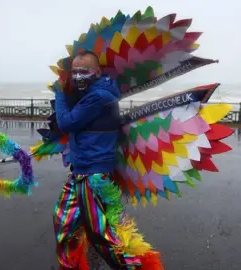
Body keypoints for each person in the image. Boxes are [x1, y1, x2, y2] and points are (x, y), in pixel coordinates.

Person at [53, 50, 161, 269]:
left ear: (98, 71)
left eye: (84, 71)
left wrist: (60, 94)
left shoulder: (98, 97)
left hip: (93, 175)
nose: (79, 76)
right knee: (64, 223)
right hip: (81, 172)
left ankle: (137, 267)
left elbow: (66, 122)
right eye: (75, 72)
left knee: (102, 236)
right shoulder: (91, 95)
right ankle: (71, 265)